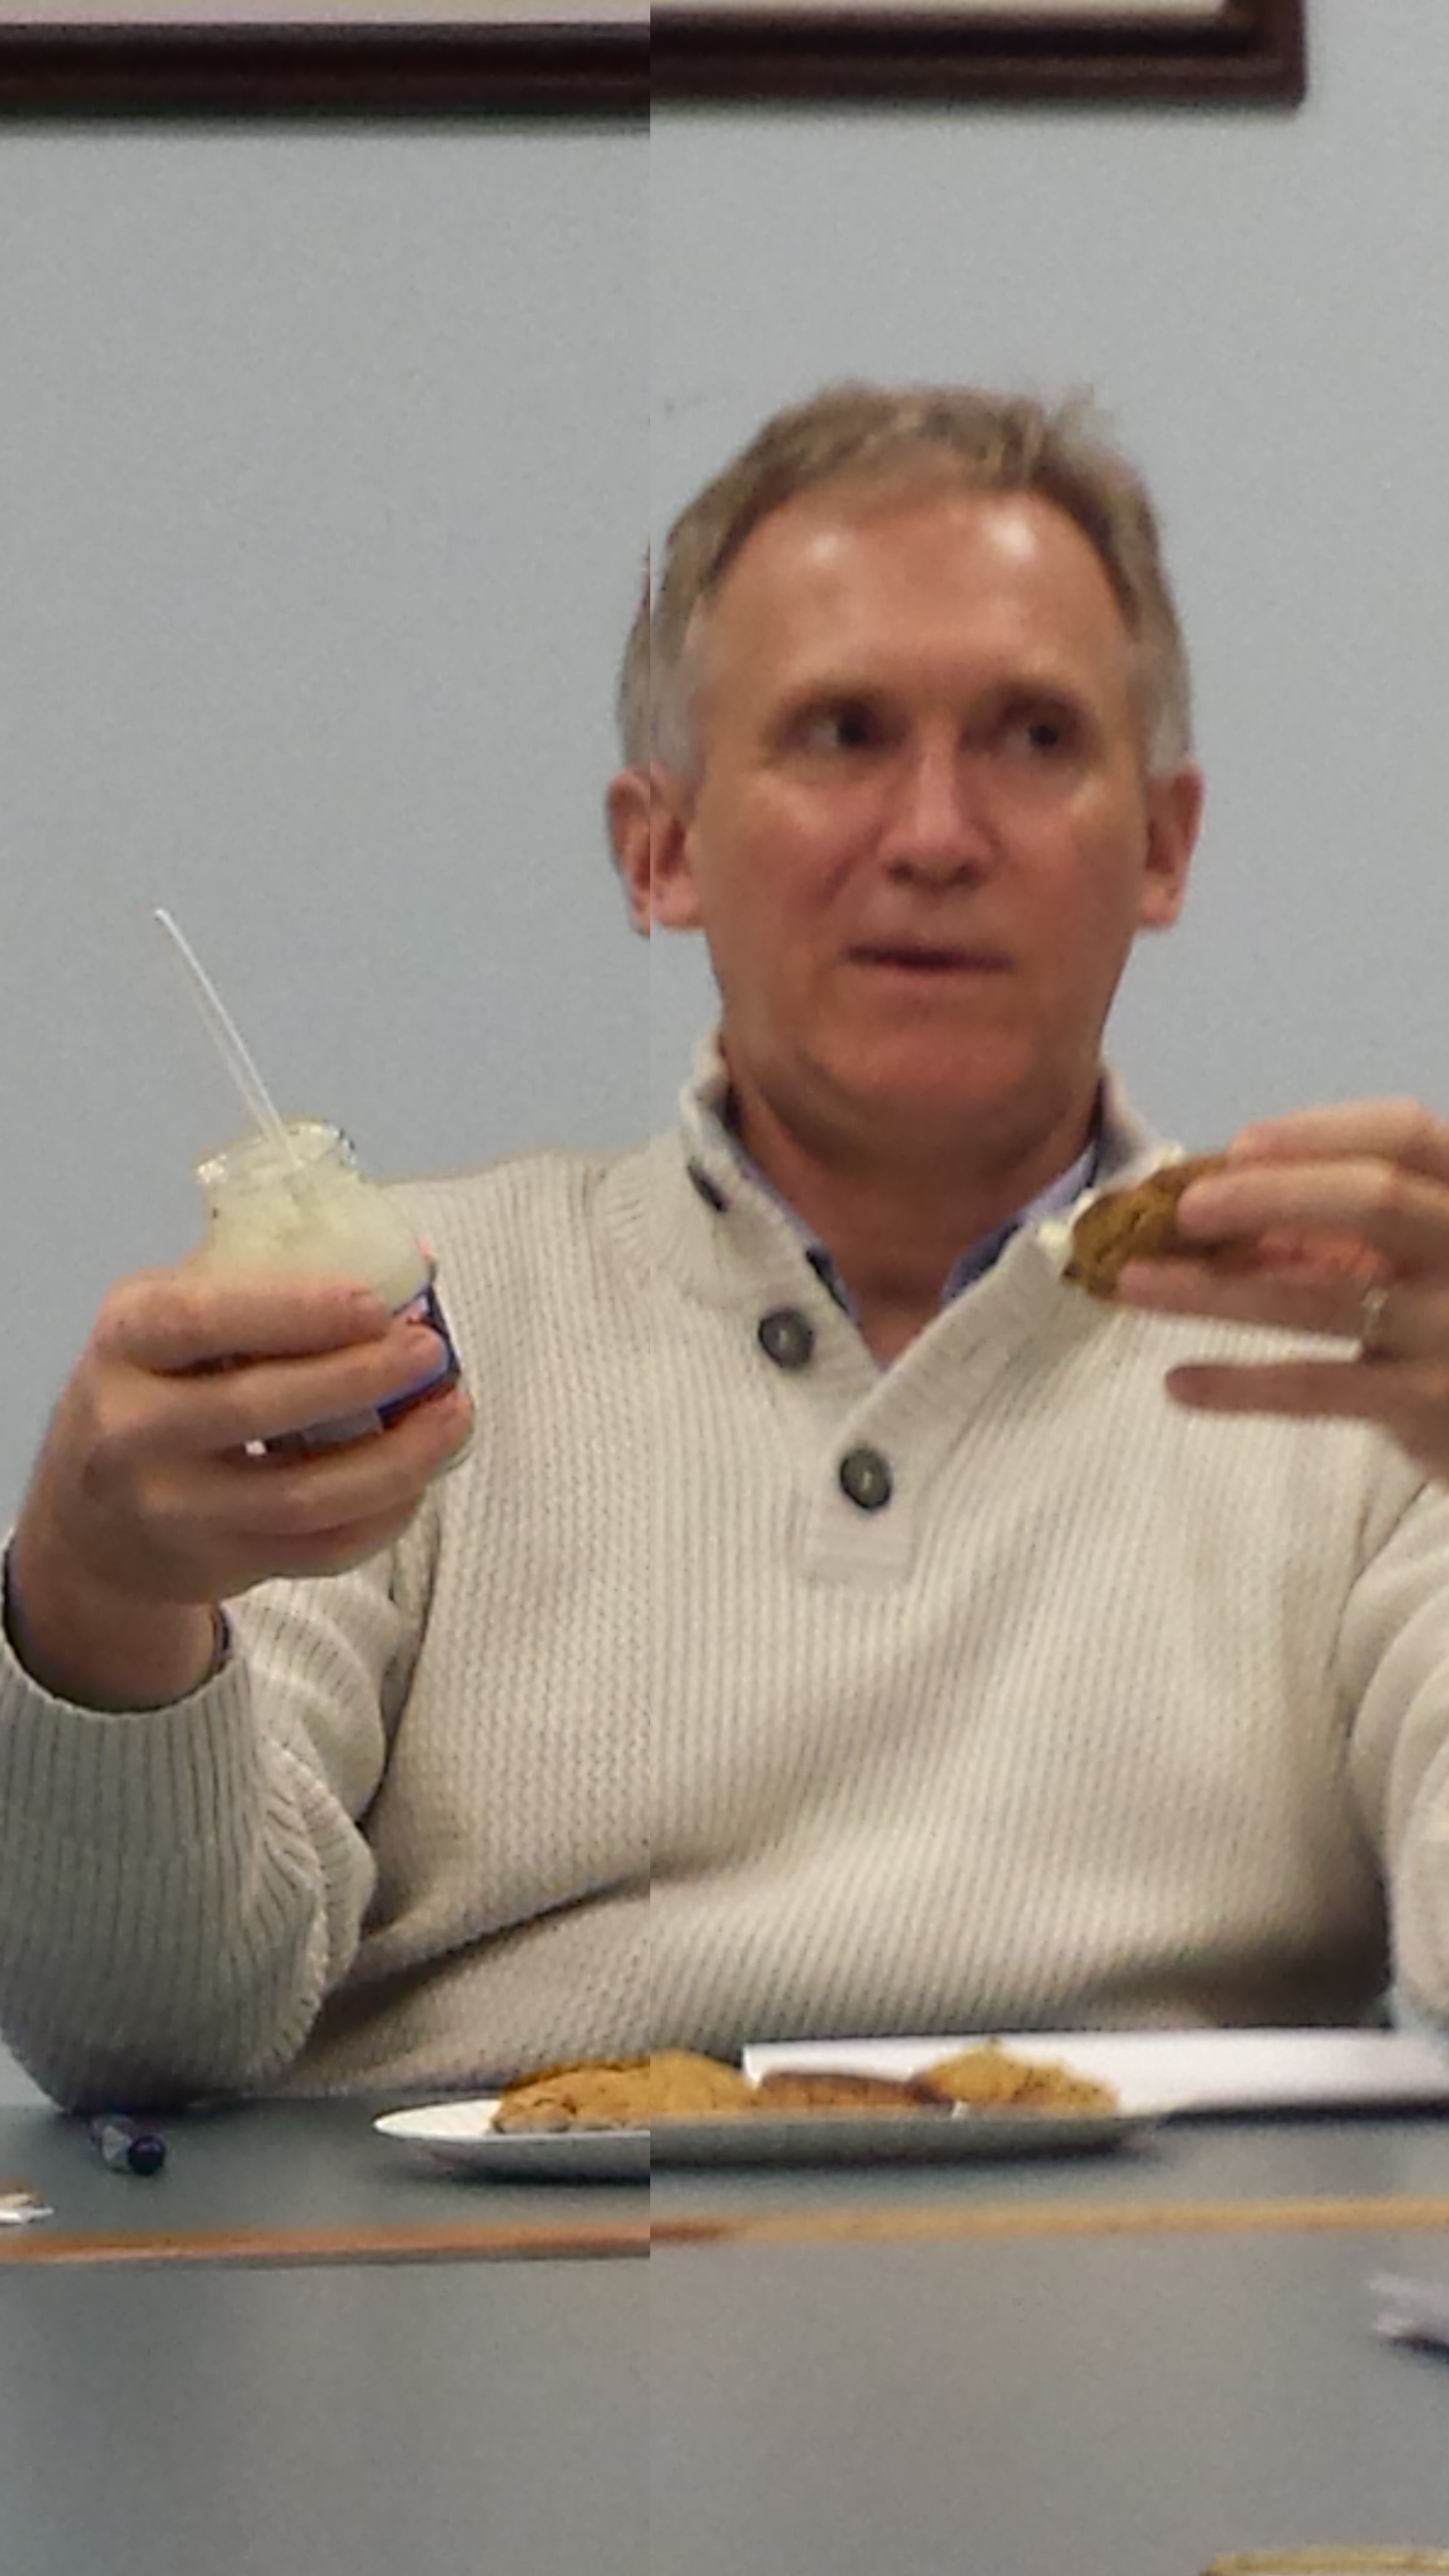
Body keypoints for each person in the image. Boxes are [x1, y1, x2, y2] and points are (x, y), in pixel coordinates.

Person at [6, 380, 1449, 2111]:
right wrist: (94, 1603)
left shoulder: (1369, 1361)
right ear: (661, 850)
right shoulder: (405, 1334)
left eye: (1032, 737)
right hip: (483, 2255)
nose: (935, 837)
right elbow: (143, 2043)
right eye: (841, 733)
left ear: (1163, 844)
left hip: (1171, 2252)